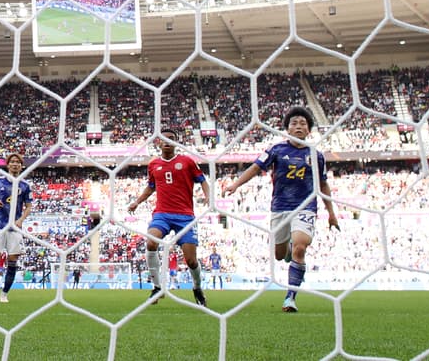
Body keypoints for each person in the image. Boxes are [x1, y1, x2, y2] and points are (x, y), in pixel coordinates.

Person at [222, 105, 339, 313]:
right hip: (280, 207)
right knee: (279, 255)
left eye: (303, 123)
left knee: (300, 248)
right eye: (294, 123)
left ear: (309, 129)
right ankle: (289, 251)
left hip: (305, 207)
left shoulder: (316, 155)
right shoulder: (276, 150)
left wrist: (331, 213)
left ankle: (290, 297)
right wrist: (235, 185)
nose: (299, 126)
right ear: (287, 129)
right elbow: (256, 167)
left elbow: (323, 184)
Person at [127, 126, 211, 307]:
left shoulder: (187, 162)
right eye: (164, 138)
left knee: (191, 260)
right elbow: (151, 186)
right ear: (159, 142)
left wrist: (208, 197)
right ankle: (157, 287)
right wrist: (137, 202)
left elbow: (203, 180)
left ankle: (197, 288)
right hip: (162, 214)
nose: (167, 141)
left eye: (171, 138)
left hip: (185, 216)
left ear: (176, 142)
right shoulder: (153, 165)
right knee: (151, 242)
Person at [0, 153, 33, 304]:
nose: (15, 164)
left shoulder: (25, 185)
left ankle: (4, 293)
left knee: (12, 261)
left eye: (18, 162)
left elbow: (29, 206)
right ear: (8, 165)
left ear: (21, 166)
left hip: (14, 227)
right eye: (12, 162)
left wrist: (21, 220)